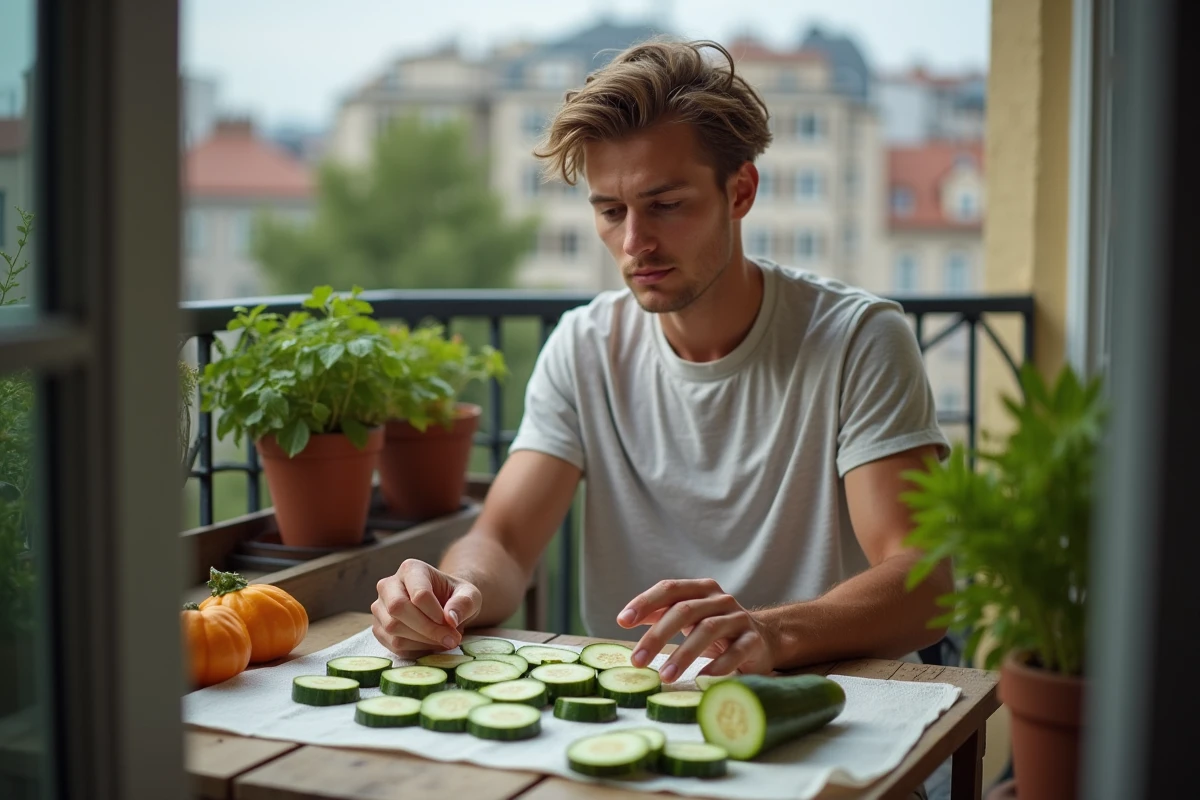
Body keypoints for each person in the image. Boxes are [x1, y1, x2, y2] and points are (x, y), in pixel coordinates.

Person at [372, 38, 953, 686]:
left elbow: (924, 582)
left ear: (741, 191)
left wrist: (768, 631)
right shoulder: (583, 345)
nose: (634, 243)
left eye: (666, 205)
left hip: (833, 711)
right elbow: (503, 541)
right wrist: (455, 589)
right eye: (610, 211)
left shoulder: (857, 339)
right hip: (638, 713)